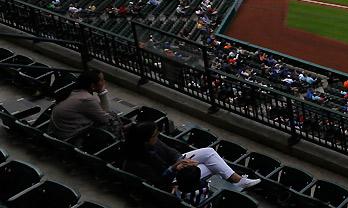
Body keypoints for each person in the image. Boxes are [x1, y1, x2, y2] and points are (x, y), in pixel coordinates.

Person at [121, 121, 260, 192]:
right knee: (210, 166)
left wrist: (180, 161)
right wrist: (177, 168)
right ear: (145, 139)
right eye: (155, 135)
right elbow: (159, 178)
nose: (157, 137)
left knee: (209, 152)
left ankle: (237, 179)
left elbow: (170, 151)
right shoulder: (139, 157)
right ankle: (237, 180)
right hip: (172, 179)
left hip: (175, 166)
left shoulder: (151, 142)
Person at [50, 68, 120, 139]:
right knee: (113, 118)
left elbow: (99, 110)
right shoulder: (86, 99)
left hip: (59, 133)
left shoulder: (74, 92)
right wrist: (103, 92)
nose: (104, 82)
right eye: (101, 80)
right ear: (92, 85)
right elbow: (105, 119)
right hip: (70, 138)